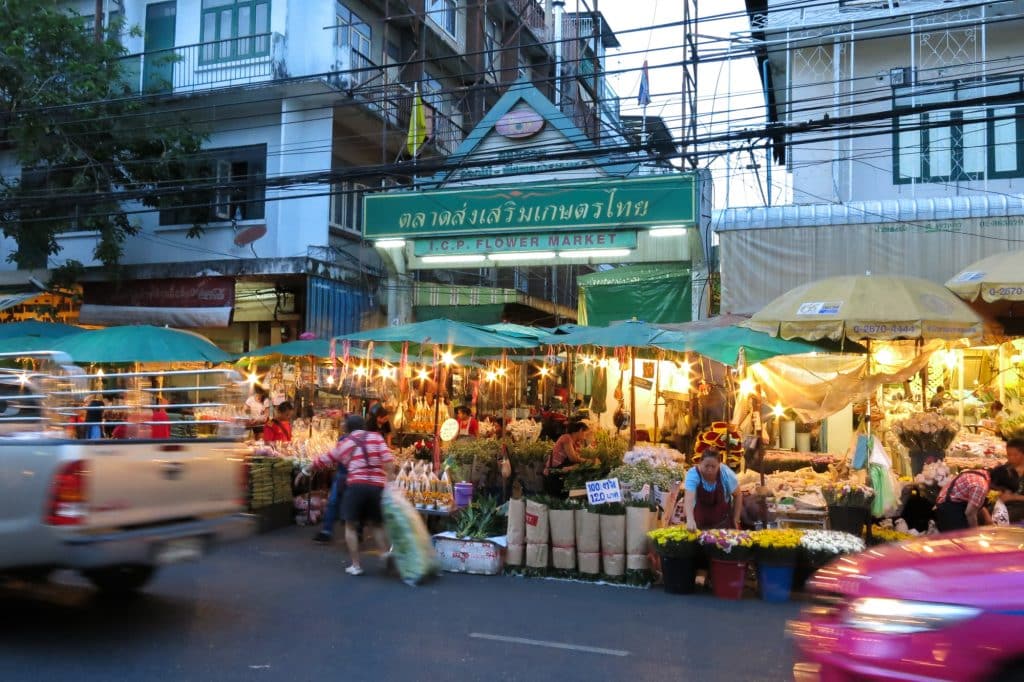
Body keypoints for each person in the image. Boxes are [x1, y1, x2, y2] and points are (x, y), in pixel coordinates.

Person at [322, 415, 394, 575]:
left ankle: (356, 565)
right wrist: (390, 483)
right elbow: (388, 460)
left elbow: (328, 457)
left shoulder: (346, 443)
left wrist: (307, 469)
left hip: (356, 486)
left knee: (350, 525)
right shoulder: (376, 437)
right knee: (376, 524)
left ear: (348, 428)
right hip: (376, 486)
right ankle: (385, 555)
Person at [311, 414, 363, 544]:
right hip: (356, 476)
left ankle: (327, 531)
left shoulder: (344, 440)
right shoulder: (366, 439)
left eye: (344, 424)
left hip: (343, 475)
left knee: (333, 502)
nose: (342, 425)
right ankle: (357, 530)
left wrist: (308, 468)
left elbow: (334, 456)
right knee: (356, 504)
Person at [684, 448, 743, 531]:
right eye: (706, 466)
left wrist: (736, 519)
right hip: (699, 526)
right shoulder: (693, 474)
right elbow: (689, 497)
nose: (710, 470)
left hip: (723, 525)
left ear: (719, 465)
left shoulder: (726, 473)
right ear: (700, 463)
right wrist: (690, 519)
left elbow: (738, 495)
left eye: (713, 466)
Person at [543, 421, 591, 497]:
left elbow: (578, 456)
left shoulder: (574, 442)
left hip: (561, 473)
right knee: (558, 498)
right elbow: (573, 458)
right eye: (585, 434)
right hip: (554, 473)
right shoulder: (566, 438)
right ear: (580, 430)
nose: (585, 437)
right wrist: (588, 461)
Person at [989, 437, 1024, 523]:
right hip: (1002, 506)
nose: (1011, 458)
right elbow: (989, 484)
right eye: (1008, 455)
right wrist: (999, 491)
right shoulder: (1001, 470)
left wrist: (1013, 497)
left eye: (1015, 455)